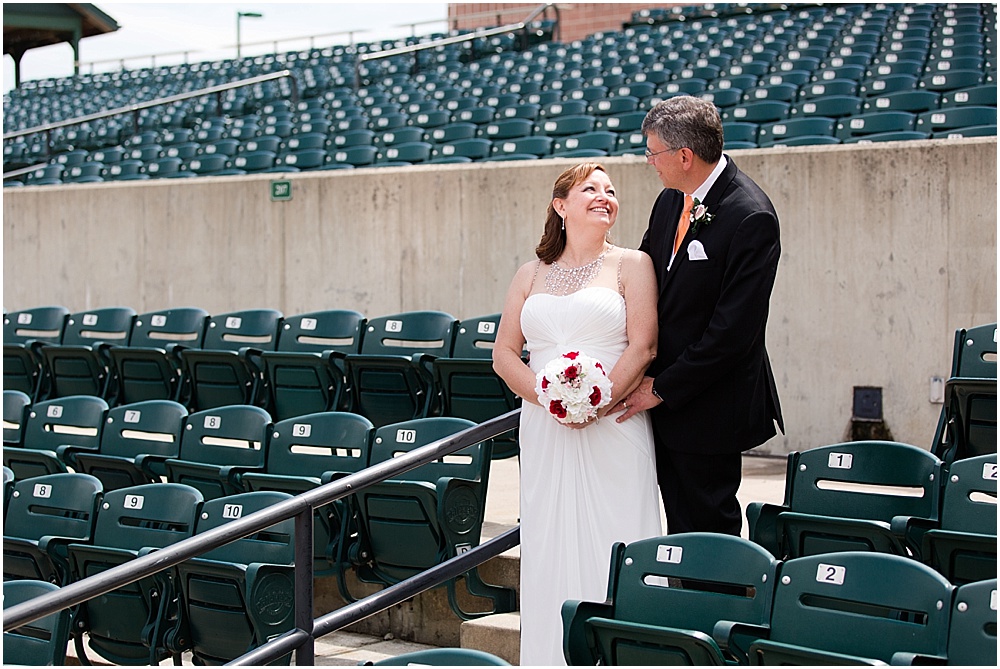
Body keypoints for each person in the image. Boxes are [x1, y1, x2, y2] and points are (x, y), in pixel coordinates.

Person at [493, 162, 663, 666]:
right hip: (545, 428)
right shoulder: (530, 273)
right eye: (590, 188)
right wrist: (551, 402)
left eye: (611, 190)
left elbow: (645, 345)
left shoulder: (634, 264)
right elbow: (504, 354)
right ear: (561, 205)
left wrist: (596, 402)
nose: (604, 196)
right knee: (549, 540)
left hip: (614, 425)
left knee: (618, 533)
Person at [616, 95, 784, 537]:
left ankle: (715, 606)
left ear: (684, 156)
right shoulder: (670, 201)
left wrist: (664, 388)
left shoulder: (751, 216)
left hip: (710, 407)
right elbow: (645, 277)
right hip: (660, 396)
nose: (650, 162)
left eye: (653, 152)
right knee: (672, 524)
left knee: (707, 527)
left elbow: (733, 334)